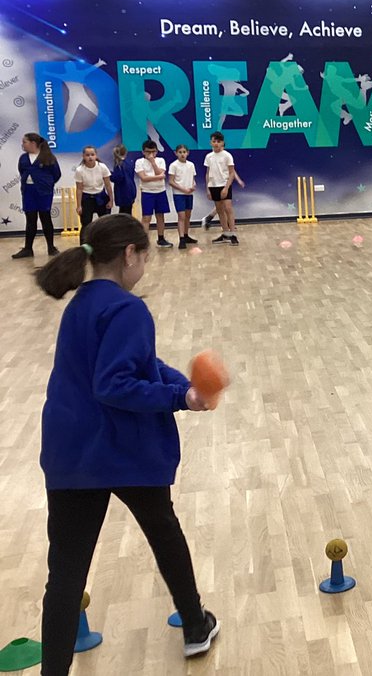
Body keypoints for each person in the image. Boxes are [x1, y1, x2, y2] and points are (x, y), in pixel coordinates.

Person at [33, 214, 220, 673]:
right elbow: (114, 382)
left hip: (71, 452)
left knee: (66, 575)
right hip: (120, 449)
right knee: (164, 532)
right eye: (145, 257)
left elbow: (142, 362)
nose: (145, 267)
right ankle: (195, 626)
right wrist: (181, 397)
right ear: (131, 254)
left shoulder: (84, 303)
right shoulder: (127, 308)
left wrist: (183, 384)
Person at [13, 133, 61, 259]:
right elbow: (21, 171)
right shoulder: (23, 158)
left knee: (45, 218)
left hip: (43, 192)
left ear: (33, 143)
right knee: (30, 219)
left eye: (25, 142)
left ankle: (51, 247)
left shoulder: (48, 157)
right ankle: (28, 248)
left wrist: (46, 184)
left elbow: (56, 174)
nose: (22, 144)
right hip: (29, 191)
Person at [204, 132, 243, 246]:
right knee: (220, 210)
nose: (216, 144)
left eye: (218, 141)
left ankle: (233, 234)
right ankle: (225, 234)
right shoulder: (208, 157)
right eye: (214, 141)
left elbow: (231, 173)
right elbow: (207, 174)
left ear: (222, 143)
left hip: (224, 185)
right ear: (211, 142)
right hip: (213, 186)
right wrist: (207, 189)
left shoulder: (227, 155)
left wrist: (226, 187)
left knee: (228, 209)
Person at [135, 139, 172, 249]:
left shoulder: (160, 160)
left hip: (160, 191)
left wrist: (153, 162)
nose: (151, 154)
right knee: (146, 217)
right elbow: (143, 178)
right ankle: (143, 241)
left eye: (153, 152)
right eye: (148, 152)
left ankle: (161, 238)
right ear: (143, 152)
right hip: (147, 192)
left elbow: (159, 172)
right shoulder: (139, 162)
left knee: (160, 215)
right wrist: (159, 177)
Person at [74, 145, 113, 237]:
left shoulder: (102, 167)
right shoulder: (80, 170)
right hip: (87, 198)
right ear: (83, 156)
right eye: (87, 155)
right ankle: (84, 248)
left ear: (96, 156)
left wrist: (111, 200)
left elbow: (108, 185)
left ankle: (106, 246)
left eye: (92, 154)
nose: (90, 157)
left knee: (105, 224)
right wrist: (79, 205)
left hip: (101, 197)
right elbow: (79, 189)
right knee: (86, 225)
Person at [168, 145, 198, 250]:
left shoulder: (191, 165)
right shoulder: (173, 165)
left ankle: (186, 235)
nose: (182, 154)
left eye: (184, 152)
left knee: (188, 215)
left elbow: (192, 178)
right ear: (176, 153)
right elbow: (171, 181)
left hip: (189, 193)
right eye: (180, 152)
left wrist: (193, 185)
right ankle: (181, 239)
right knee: (181, 216)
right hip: (179, 194)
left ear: (188, 153)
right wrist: (182, 189)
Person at [110, 144, 138, 216]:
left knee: (124, 213)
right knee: (127, 211)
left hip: (123, 191)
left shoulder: (118, 164)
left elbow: (119, 177)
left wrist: (109, 175)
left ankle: (125, 227)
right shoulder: (129, 162)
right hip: (131, 189)